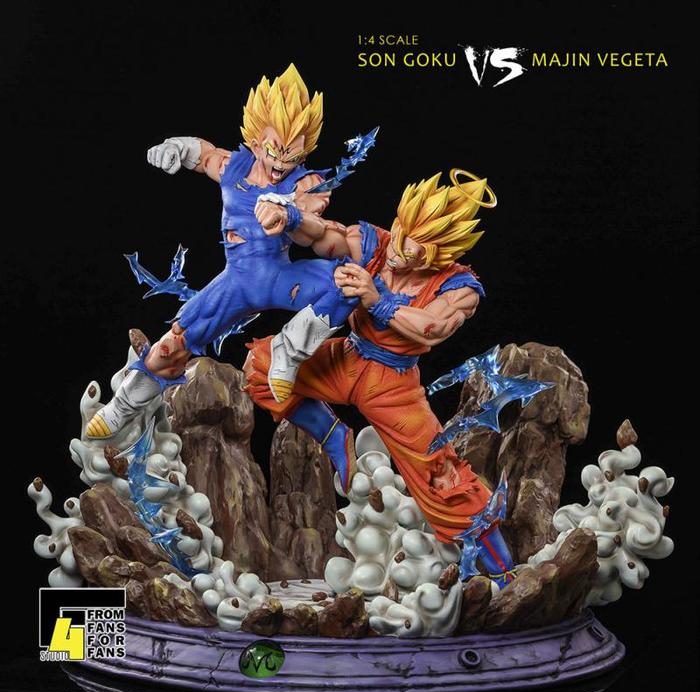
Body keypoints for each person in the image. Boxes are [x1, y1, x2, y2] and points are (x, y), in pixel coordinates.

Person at [244, 171, 517, 588]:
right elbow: (326, 235)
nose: (401, 247)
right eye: (403, 230)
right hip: (346, 357)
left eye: (417, 245)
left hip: (393, 383)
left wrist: (377, 299)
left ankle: (502, 572)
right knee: (261, 366)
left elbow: (431, 328)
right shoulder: (376, 242)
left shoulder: (459, 287)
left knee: (442, 474)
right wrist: (290, 216)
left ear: (442, 252)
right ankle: (335, 437)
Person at [86, 64, 365, 441]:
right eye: (275, 150)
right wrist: (176, 146)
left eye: (293, 154)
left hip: (282, 278)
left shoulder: (308, 181)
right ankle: (121, 408)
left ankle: (288, 352)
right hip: (235, 283)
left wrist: (289, 213)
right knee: (172, 344)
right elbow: (204, 155)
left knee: (349, 282)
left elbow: (312, 214)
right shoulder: (235, 167)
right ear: (256, 140)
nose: (282, 162)